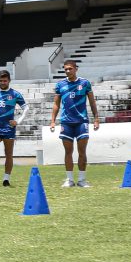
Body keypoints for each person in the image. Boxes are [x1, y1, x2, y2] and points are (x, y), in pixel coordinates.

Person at [49, 60, 100, 188]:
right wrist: (53, 121)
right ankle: (69, 180)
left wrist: (96, 118)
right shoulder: (60, 84)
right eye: (65, 69)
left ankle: (82, 180)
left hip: (81, 122)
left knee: (82, 151)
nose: (67, 71)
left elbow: (92, 102)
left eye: (70, 69)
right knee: (68, 152)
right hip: (66, 122)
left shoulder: (85, 83)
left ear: (76, 69)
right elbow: (56, 104)